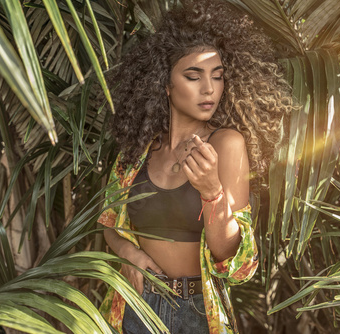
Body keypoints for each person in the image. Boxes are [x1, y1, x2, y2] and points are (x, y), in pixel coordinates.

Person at [98, 1, 291, 333]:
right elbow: (108, 221)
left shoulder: (227, 144)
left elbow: (237, 265)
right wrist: (128, 252)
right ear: (166, 84)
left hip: (196, 312)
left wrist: (211, 192)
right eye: (193, 76)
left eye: (217, 77)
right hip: (136, 305)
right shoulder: (140, 149)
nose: (209, 89)